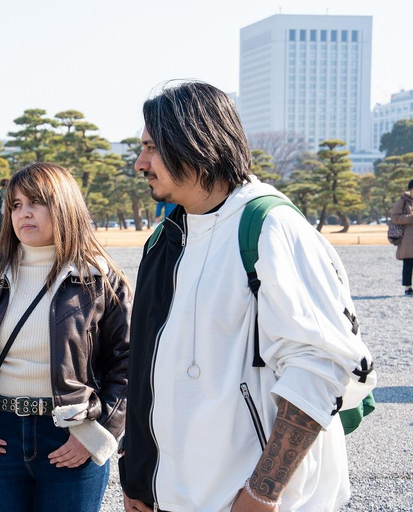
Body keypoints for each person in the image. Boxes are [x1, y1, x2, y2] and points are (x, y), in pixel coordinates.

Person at [119, 82, 375, 512]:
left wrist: (262, 493)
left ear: (195, 141)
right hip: (167, 499)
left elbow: (319, 365)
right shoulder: (165, 239)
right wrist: (138, 479)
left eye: (151, 147)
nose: (140, 162)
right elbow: (147, 370)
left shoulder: (269, 226)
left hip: (247, 502)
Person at [0, 162, 131, 512]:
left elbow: (131, 363)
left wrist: (96, 433)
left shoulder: (100, 279)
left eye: (36, 202)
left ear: (65, 207)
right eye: (16, 205)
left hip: (71, 435)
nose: (24, 213)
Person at [391, 179, 413, 296]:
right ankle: (408, 288)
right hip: (407, 239)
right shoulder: (402, 202)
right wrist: (411, 218)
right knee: (408, 262)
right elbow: (395, 217)